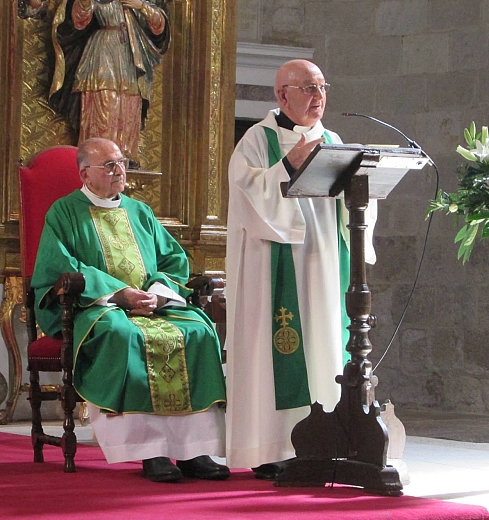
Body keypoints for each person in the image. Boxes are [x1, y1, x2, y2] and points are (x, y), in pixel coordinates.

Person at [31, 137, 230, 483]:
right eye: (109, 165)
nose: (119, 170)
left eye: (122, 162)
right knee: (123, 335)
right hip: (97, 307)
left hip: (153, 307)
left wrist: (157, 293)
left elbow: (172, 260)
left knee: (198, 330)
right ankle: (149, 451)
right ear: (85, 174)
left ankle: (195, 448)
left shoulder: (141, 212)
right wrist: (119, 293)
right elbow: (58, 268)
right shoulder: (64, 212)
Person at [226, 59, 378, 479]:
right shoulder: (256, 140)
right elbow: (247, 194)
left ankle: (328, 440)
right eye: (308, 88)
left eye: (322, 86)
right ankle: (273, 447)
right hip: (275, 265)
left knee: (324, 341)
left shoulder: (333, 139)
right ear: (282, 95)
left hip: (326, 260)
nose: (318, 96)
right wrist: (289, 162)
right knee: (280, 350)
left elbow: (358, 193)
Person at [49, 0, 170, 165]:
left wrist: (141, 6)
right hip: (103, 54)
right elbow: (79, 20)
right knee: (104, 104)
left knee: (129, 105)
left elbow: (158, 27)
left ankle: (124, 157)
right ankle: (98, 158)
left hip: (131, 54)